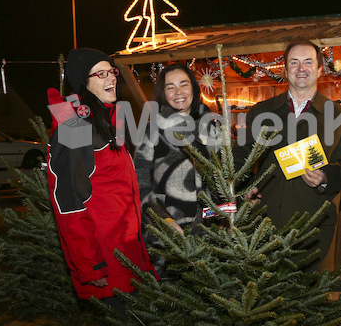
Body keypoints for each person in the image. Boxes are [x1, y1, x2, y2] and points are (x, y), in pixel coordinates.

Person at [47, 48, 156, 312]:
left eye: (112, 71)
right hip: (106, 262)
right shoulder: (74, 127)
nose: (111, 78)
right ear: (82, 82)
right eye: (100, 74)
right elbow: (69, 202)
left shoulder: (107, 119)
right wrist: (91, 266)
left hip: (128, 254)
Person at [234, 39, 341, 271]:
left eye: (308, 62)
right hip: (264, 223)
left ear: (320, 69)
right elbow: (242, 155)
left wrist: (325, 176)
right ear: (285, 69)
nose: (302, 69)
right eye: (294, 62)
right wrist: (245, 183)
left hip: (314, 226)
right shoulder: (261, 112)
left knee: (307, 296)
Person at [133, 64, 219, 272]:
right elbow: (140, 185)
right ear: (163, 93)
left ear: (194, 88)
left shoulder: (212, 127)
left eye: (184, 84)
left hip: (211, 237)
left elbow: (223, 178)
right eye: (170, 87)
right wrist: (166, 222)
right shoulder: (151, 131)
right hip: (168, 239)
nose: (178, 92)